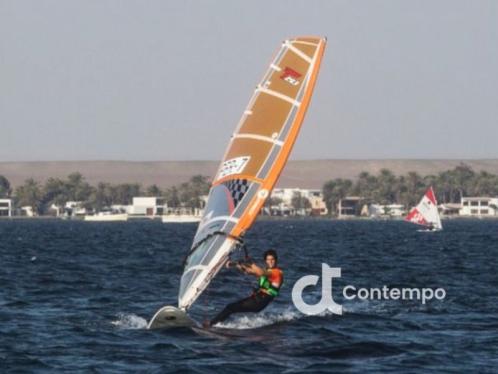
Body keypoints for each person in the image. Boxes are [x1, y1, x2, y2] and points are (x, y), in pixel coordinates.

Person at [206, 249, 283, 327]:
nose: (270, 261)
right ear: (265, 261)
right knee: (231, 308)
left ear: (276, 260)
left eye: (272, 259)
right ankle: (215, 324)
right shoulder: (268, 271)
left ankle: (211, 325)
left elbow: (261, 272)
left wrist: (251, 263)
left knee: (230, 307)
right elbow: (248, 271)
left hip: (260, 301)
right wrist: (235, 264)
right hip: (257, 300)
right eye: (268, 259)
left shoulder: (277, 272)